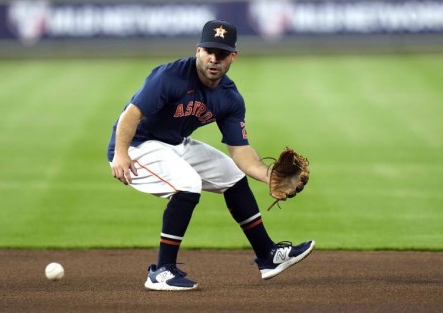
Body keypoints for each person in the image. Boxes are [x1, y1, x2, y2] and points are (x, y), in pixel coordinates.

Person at [108, 20, 315, 291]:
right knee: (188, 184)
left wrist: (268, 176)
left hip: (175, 143)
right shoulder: (169, 76)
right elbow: (131, 114)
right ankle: (162, 271)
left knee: (232, 175)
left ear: (233, 57)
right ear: (198, 51)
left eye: (221, 54)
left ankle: (268, 256)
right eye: (209, 51)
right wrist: (121, 154)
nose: (213, 59)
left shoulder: (230, 98)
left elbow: (240, 150)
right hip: (137, 145)